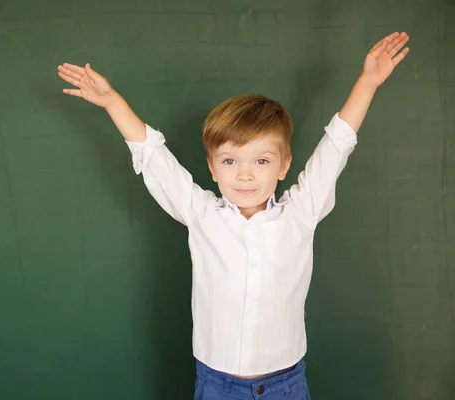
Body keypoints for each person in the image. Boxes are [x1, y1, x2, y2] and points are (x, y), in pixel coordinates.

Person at [57, 32, 409, 399]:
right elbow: (152, 156)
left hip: (285, 385)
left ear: (284, 164)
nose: (245, 175)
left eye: (261, 160)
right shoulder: (201, 214)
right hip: (217, 384)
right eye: (229, 161)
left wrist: (367, 83)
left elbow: (336, 147)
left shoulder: (300, 213)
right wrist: (112, 102)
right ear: (211, 167)